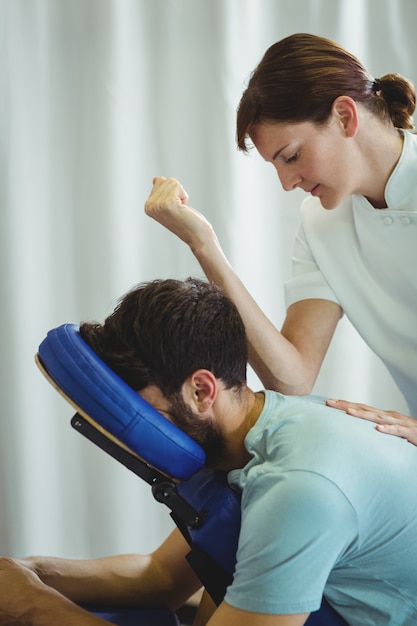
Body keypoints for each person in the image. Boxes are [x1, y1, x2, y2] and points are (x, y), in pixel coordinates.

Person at [2, 277, 417, 625]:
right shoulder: (245, 435)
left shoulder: (297, 487)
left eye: (143, 411)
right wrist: (31, 573)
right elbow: (162, 576)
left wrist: (35, 605)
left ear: (201, 390)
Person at [144, 33, 417, 444]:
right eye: (277, 165)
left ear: (345, 116)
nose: (288, 182)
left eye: (291, 156)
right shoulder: (321, 223)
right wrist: (203, 244)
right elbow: (291, 379)